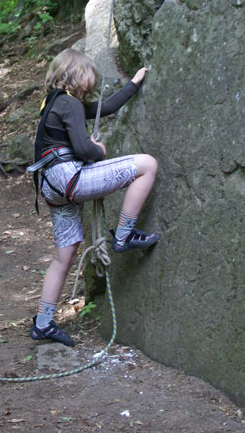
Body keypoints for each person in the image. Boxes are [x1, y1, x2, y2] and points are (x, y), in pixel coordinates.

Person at [29, 49, 159, 347]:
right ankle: (124, 234)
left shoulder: (52, 103)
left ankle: (43, 323)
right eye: (90, 74)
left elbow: (105, 107)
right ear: (76, 74)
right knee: (147, 165)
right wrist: (99, 150)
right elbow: (85, 148)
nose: (93, 80)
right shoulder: (69, 102)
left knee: (64, 255)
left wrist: (134, 84)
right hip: (69, 178)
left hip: (52, 186)